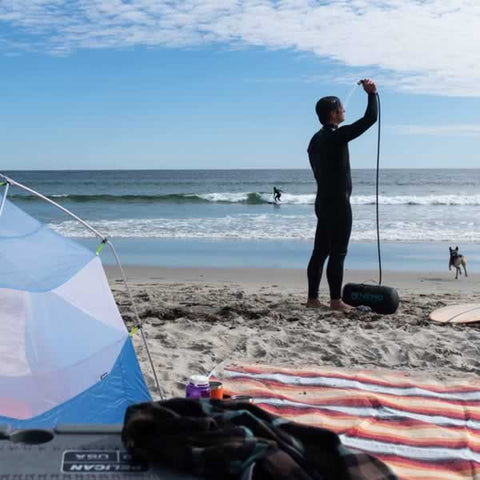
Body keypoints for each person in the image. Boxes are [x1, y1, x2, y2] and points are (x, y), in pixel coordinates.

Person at [306, 79, 378, 311]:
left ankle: (313, 299)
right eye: (342, 108)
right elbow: (370, 120)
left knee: (320, 253)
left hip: (322, 202)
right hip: (338, 203)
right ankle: (336, 301)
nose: (345, 110)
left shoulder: (315, 140)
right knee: (338, 252)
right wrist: (372, 94)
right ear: (334, 113)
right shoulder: (335, 137)